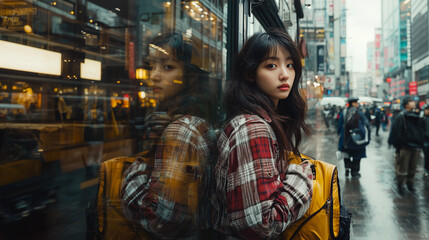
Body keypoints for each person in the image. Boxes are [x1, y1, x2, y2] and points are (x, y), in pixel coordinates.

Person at [213, 29, 313, 239]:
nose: (285, 74)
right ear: (250, 73)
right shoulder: (253, 128)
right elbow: (260, 225)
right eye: (271, 65)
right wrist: (302, 179)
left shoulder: (264, 121)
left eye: (290, 65)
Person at [120, 32, 217, 239]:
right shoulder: (193, 121)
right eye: (151, 65)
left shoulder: (181, 131)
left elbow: (159, 220)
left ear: (189, 76)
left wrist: (135, 170)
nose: (154, 75)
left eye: (167, 67)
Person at [388, 97, 424, 193]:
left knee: (413, 168)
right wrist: (399, 146)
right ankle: (400, 185)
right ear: (406, 104)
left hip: (415, 146)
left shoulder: (416, 115)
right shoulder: (401, 116)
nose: (413, 103)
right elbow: (396, 132)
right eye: (411, 101)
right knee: (403, 168)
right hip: (404, 147)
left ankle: (410, 185)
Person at [337, 98, 371, 178]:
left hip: (345, 138)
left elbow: (340, 125)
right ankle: (355, 172)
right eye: (356, 102)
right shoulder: (359, 113)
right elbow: (366, 124)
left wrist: (339, 134)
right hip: (357, 139)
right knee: (357, 156)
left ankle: (347, 168)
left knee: (346, 154)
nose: (357, 104)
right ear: (353, 103)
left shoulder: (344, 112)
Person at [422, 105, 429, 177]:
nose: (427, 111)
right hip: (425, 140)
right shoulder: (423, 118)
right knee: (427, 156)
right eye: (426, 110)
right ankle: (426, 169)